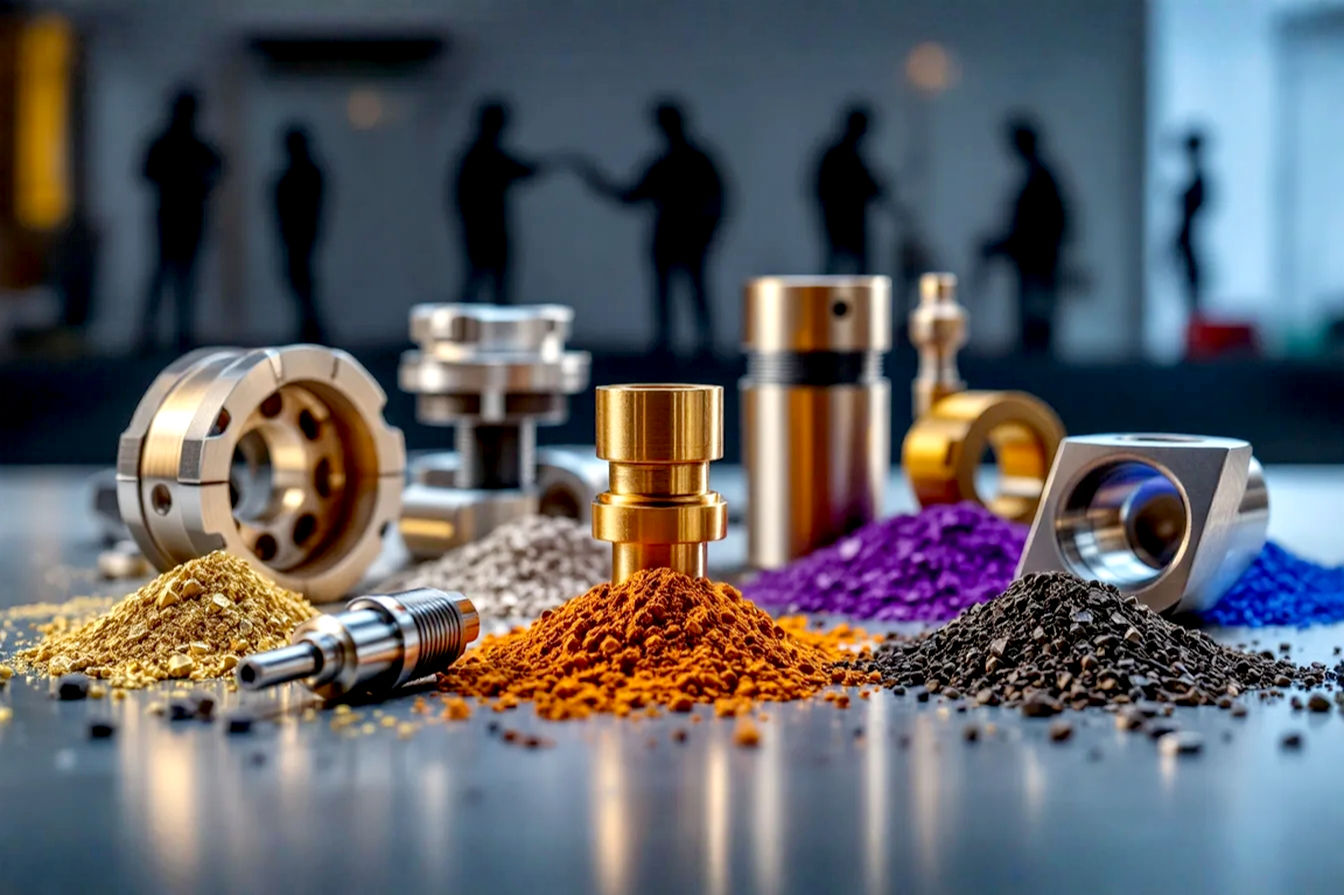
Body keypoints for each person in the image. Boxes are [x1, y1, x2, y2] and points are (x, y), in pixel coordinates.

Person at [574, 99, 726, 357]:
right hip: (680, 236)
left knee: (675, 291)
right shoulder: (692, 160)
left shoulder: (672, 163)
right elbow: (718, 200)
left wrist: (594, 180)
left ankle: (682, 343)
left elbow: (630, 196)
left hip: (675, 235)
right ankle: (696, 343)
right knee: (687, 290)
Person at [138, 88, 223, 352]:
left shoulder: (187, 145)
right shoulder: (174, 144)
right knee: (168, 276)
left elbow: (218, 166)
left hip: (184, 216)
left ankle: (172, 331)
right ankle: (158, 332)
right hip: (175, 216)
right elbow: (148, 171)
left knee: (178, 277)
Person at [979, 116, 1069, 356]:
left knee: (1036, 319)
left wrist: (1007, 246)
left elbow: (1040, 227)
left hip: (1038, 262)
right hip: (1034, 261)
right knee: (1032, 318)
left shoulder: (1040, 180)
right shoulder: (1038, 177)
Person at [450, 100, 541, 304]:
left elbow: (521, 169)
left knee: (480, 281)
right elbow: (523, 170)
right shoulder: (485, 156)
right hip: (490, 232)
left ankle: (462, 331)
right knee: (493, 284)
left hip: (480, 232)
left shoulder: (476, 156)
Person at [813, 104, 885, 274]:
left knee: (841, 268)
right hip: (844, 224)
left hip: (842, 224)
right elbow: (865, 187)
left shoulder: (841, 155)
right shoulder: (842, 156)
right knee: (849, 270)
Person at [273, 125, 327, 343]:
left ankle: (311, 327)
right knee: (302, 284)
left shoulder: (302, 174)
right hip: (298, 236)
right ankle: (310, 327)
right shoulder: (306, 173)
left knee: (303, 284)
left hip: (299, 237)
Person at [1174, 130, 1208, 316]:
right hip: (1187, 236)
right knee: (1188, 285)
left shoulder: (1198, 179)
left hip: (1191, 236)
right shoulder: (1194, 177)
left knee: (1191, 285)